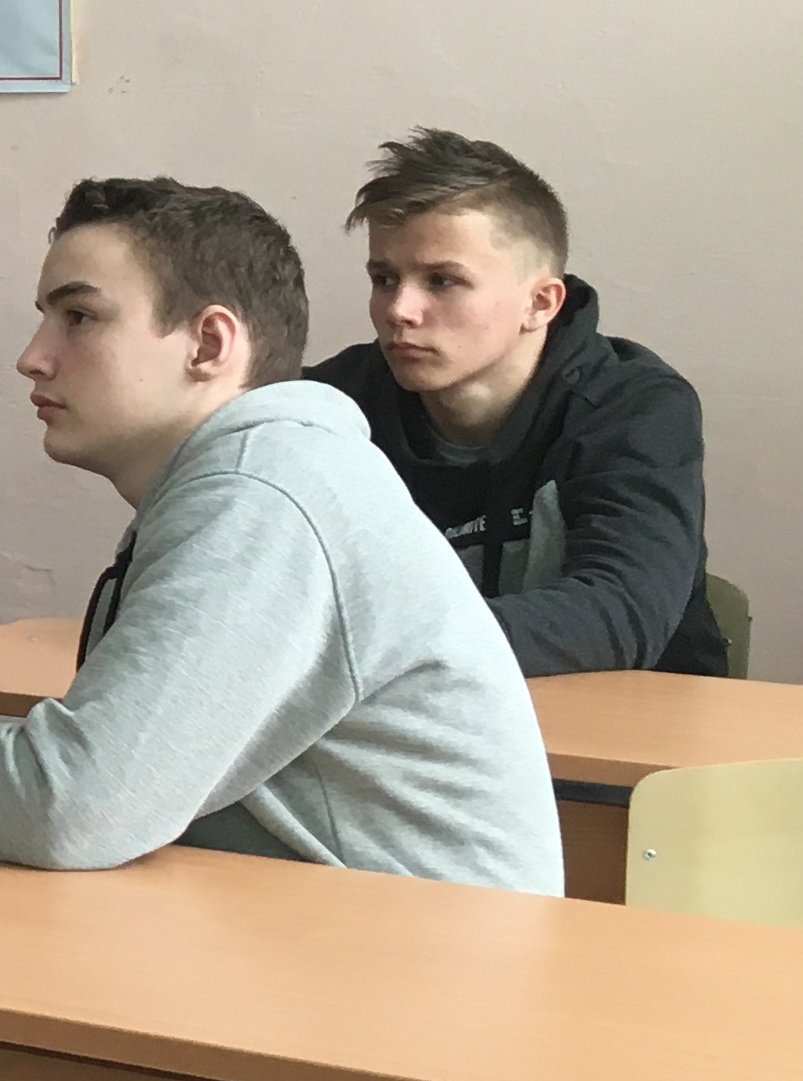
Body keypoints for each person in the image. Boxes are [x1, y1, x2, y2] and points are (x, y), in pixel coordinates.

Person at [0, 176, 558, 892]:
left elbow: (75, 803)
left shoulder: (265, 493)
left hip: (415, 1011)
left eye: (79, 317)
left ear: (210, 344)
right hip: (323, 954)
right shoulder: (242, 478)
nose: (33, 356)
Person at [306, 129, 728, 676]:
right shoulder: (329, 405)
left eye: (442, 281)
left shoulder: (634, 407)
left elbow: (620, 614)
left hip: (623, 724)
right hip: (410, 716)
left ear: (540, 303)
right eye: (384, 278)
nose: (399, 310)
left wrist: (379, 645)